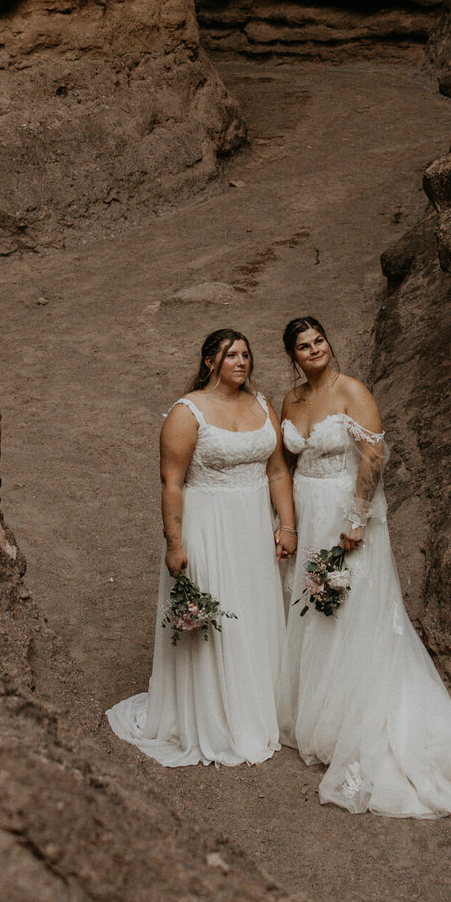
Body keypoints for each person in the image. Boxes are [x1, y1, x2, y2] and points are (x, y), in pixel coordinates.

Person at [277, 315, 451, 815]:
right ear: (292, 355)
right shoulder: (291, 401)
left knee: (352, 608)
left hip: (345, 511)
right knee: (314, 605)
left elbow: (374, 455)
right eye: (303, 345)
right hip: (308, 506)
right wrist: (286, 520)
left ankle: (358, 722)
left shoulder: (351, 390)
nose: (314, 349)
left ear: (328, 343)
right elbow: (287, 464)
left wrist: (357, 516)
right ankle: (317, 712)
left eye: (320, 340)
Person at [107, 328, 296, 766]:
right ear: (210, 361)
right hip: (209, 524)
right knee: (221, 612)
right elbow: (171, 483)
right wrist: (175, 544)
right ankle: (218, 718)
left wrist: (287, 525)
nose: (241, 362)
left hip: (254, 523)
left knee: (256, 609)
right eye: (231, 355)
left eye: (246, 355)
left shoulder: (262, 405)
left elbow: (277, 472)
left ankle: (260, 708)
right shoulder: (186, 412)